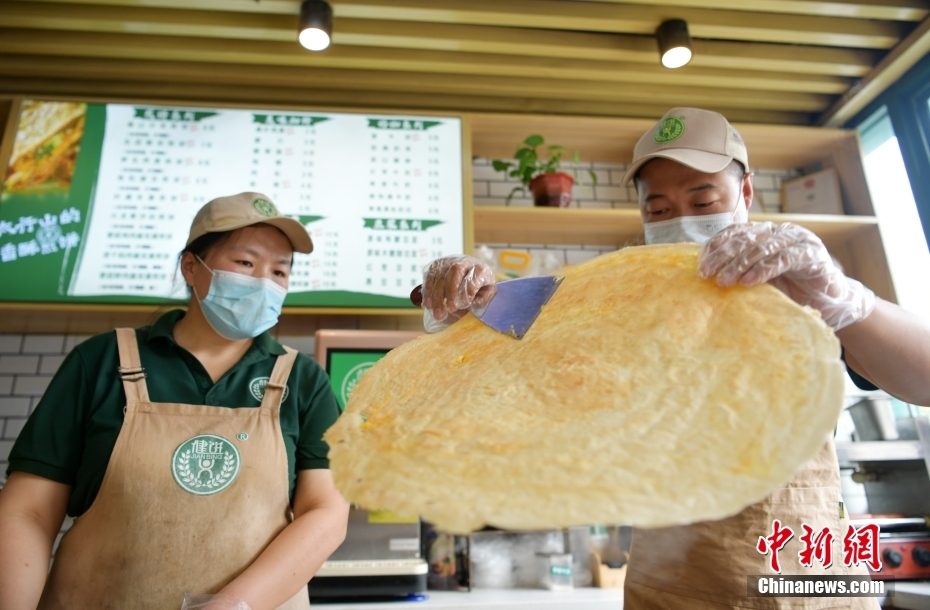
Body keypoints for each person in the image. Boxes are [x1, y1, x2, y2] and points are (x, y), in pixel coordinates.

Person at [420, 108, 930, 608]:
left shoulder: (799, 281)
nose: (682, 221)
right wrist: (465, 305)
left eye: (703, 201)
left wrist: (846, 300)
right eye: (659, 211)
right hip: (668, 584)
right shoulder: (620, 303)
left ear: (745, 193)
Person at [0, 192, 349, 610]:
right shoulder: (102, 360)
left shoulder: (303, 380)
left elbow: (325, 513)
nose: (263, 282)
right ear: (191, 267)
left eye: (279, 271)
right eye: (245, 263)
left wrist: (231, 605)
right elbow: (28, 512)